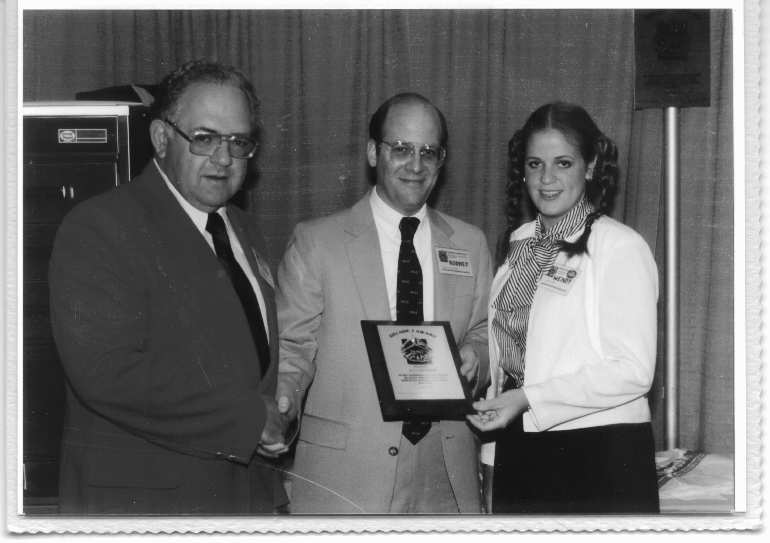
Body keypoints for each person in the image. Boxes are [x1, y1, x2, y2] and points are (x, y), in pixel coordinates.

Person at [49, 60, 288, 514]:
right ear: (161, 139)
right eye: (204, 138)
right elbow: (107, 373)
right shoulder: (100, 226)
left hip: (241, 498)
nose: (224, 157)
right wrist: (251, 420)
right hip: (147, 506)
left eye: (239, 142)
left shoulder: (243, 228)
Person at [272, 93, 492, 514]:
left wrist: (475, 357)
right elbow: (292, 348)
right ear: (374, 152)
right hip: (345, 475)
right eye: (401, 148)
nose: (416, 164)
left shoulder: (470, 243)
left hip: (445, 472)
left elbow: (484, 329)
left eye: (429, 151)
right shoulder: (318, 242)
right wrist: (284, 399)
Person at [467, 102, 660, 514]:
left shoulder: (619, 246)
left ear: (590, 167)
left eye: (563, 163)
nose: (547, 178)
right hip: (518, 441)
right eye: (535, 164)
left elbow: (634, 371)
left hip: (598, 452)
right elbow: (508, 363)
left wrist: (529, 399)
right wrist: (491, 458)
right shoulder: (517, 244)